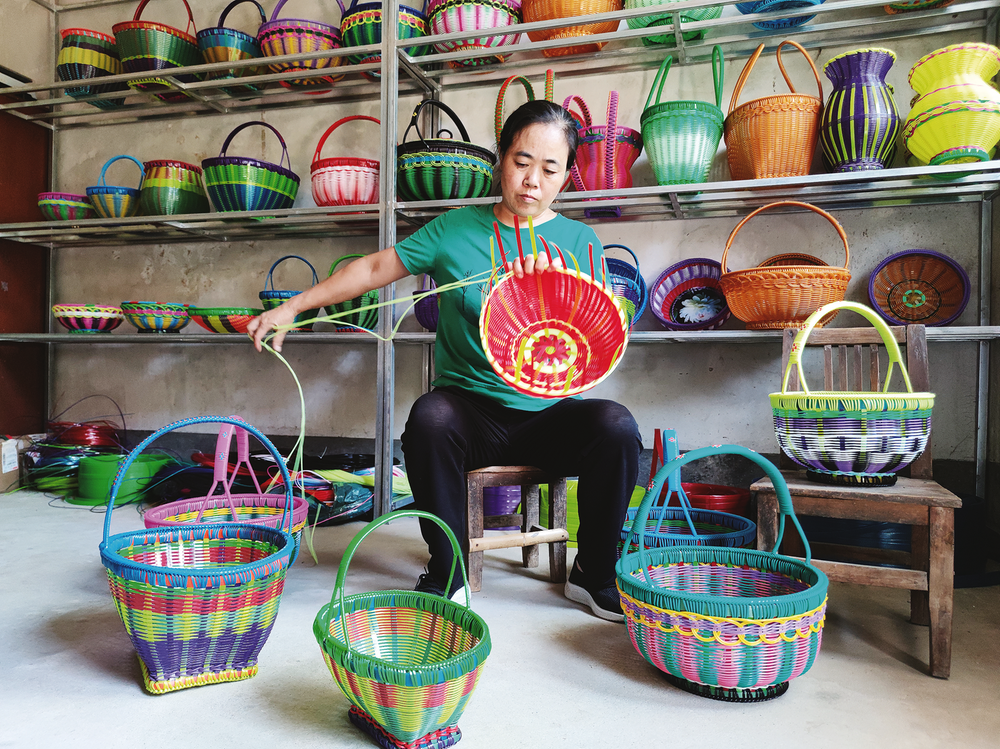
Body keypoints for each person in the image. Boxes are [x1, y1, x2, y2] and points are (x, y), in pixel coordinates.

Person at [248, 100, 641, 622]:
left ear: (567, 176)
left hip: (548, 416)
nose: (532, 180)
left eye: (550, 169)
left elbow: (595, 337)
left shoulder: (579, 242)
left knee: (615, 424)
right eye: (522, 162)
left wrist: (552, 291)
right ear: (501, 160)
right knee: (430, 416)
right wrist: (293, 307)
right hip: (471, 414)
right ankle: (448, 573)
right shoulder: (455, 229)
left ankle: (593, 572)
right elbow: (374, 268)